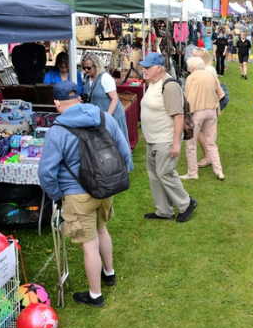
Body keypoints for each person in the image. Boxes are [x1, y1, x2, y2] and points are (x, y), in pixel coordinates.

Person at [38, 81, 133, 307]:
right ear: (79, 98)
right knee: (102, 229)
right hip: (105, 187)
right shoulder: (103, 117)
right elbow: (124, 150)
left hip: (77, 194)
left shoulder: (57, 131)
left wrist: (58, 195)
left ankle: (95, 295)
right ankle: (109, 272)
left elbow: (46, 173)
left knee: (89, 245)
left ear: (57, 103)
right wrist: (119, 176)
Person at [139, 53, 198, 222]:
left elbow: (178, 116)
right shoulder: (153, 82)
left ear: (159, 68)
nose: (143, 70)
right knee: (154, 174)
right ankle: (164, 210)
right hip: (153, 138)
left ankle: (186, 203)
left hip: (165, 138)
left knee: (165, 172)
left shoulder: (169, 85)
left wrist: (175, 144)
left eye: (147, 67)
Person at [180, 57, 225, 181]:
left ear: (192, 67)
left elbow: (187, 97)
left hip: (197, 113)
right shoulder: (211, 75)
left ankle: (192, 172)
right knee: (211, 143)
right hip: (212, 111)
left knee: (191, 144)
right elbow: (221, 94)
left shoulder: (191, 78)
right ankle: (219, 170)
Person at [82, 54, 129, 147]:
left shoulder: (105, 78)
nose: (86, 70)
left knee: (116, 146)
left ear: (96, 66)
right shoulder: (87, 78)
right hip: (98, 117)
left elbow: (114, 99)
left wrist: (107, 118)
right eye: (84, 68)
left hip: (111, 116)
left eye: (88, 67)